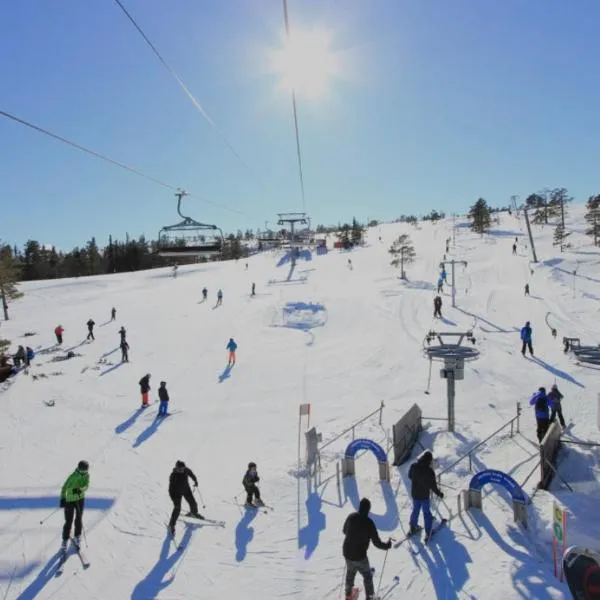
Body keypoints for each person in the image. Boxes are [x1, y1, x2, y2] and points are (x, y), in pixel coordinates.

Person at [342, 498, 391, 600]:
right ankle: (370, 597)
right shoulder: (369, 523)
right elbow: (377, 543)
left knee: (350, 572)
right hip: (360, 556)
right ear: (368, 510)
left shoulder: (351, 517)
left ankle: (348, 594)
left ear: (360, 507)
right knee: (367, 576)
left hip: (347, 552)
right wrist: (386, 545)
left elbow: (344, 530)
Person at [408, 451, 444, 542]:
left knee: (415, 510)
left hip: (415, 494)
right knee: (426, 513)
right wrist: (439, 494)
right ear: (429, 461)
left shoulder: (414, 466)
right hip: (424, 496)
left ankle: (413, 526)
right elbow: (433, 486)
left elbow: (410, 476)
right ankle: (428, 532)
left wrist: (417, 480)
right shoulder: (429, 471)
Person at [60, 460, 89, 550]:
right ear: (79, 469)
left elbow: (86, 485)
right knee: (68, 520)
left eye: (86, 471)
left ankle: (77, 536)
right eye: (83, 471)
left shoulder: (87, 475)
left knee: (79, 519)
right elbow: (64, 487)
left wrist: (80, 490)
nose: (85, 473)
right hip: (70, 500)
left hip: (80, 499)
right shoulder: (73, 477)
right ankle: (64, 540)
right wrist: (63, 499)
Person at [168, 461, 202, 535]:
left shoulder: (185, 470)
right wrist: (174, 500)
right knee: (177, 508)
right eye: (180, 469)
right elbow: (171, 489)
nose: (182, 470)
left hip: (186, 490)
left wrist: (195, 480)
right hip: (176, 494)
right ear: (177, 468)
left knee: (193, 503)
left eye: (183, 468)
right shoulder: (173, 476)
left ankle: (194, 513)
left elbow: (191, 473)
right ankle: (172, 524)